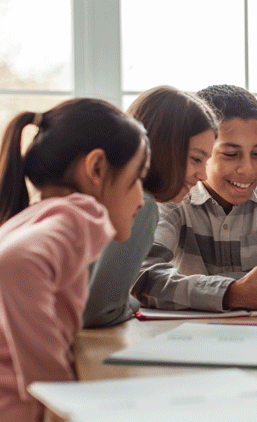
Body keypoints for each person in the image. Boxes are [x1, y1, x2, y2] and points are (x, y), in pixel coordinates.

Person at [0, 98, 149, 421]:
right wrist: (60, 398)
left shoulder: (42, 217)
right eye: (137, 177)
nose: (141, 198)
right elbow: (12, 265)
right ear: (97, 168)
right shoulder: (70, 219)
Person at [134, 84, 257, 311]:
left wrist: (248, 289)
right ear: (202, 151)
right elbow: (144, 277)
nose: (248, 169)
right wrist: (232, 293)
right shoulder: (174, 200)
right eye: (231, 154)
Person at [82, 86, 218, 328]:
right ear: (164, 149)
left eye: (207, 162)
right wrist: (132, 303)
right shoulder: (140, 206)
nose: (203, 175)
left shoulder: (103, 194)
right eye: (196, 159)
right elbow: (99, 311)